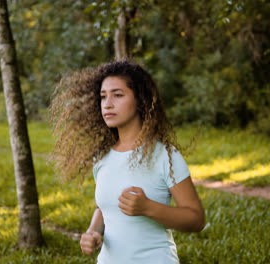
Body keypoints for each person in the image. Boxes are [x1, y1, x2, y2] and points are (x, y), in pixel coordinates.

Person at [50, 60, 205, 263]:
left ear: (140, 99)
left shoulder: (165, 156)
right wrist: (93, 232)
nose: (107, 103)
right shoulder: (103, 158)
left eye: (118, 95)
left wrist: (147, 208)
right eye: (103, 96)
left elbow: (196, 219)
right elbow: (103, 208)